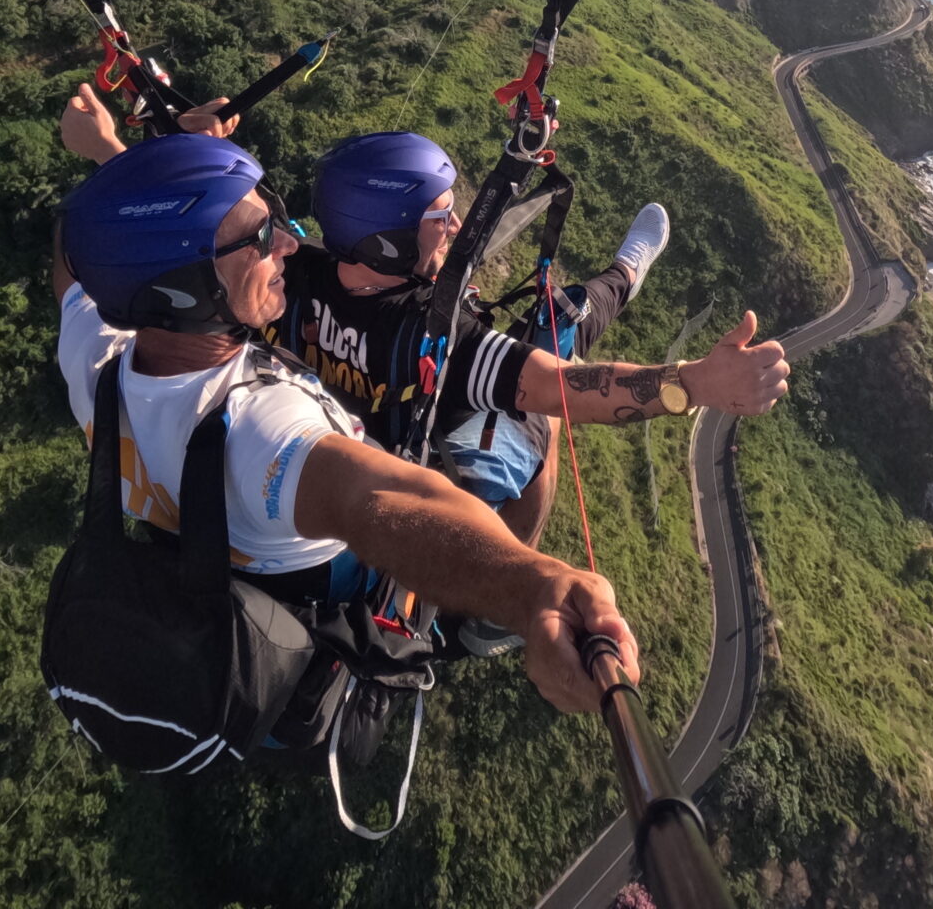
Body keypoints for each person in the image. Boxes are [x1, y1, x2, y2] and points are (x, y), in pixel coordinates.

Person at [52, 119, 637, 717]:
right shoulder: (267, 432)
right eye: (259, 239)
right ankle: (482, 626)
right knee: (541, 428)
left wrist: (142, 169)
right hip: (342, 584)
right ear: (186, 289)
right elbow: (385, 508)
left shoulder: (95, 356)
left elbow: (81, 263)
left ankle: (625, 274)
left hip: (212, 549)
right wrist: (532, 588)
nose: (286, 244)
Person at [282, 131, 789, 651]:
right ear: (386, 241)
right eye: (440, 217)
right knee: (545, 393)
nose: (455, 226)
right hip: (401, 502)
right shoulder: (429, 339)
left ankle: (624, 274)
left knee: (555, 330)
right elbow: (563, 388)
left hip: (327, 475)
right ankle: (499, 607)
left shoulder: (284, 274)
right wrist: (694, 383)